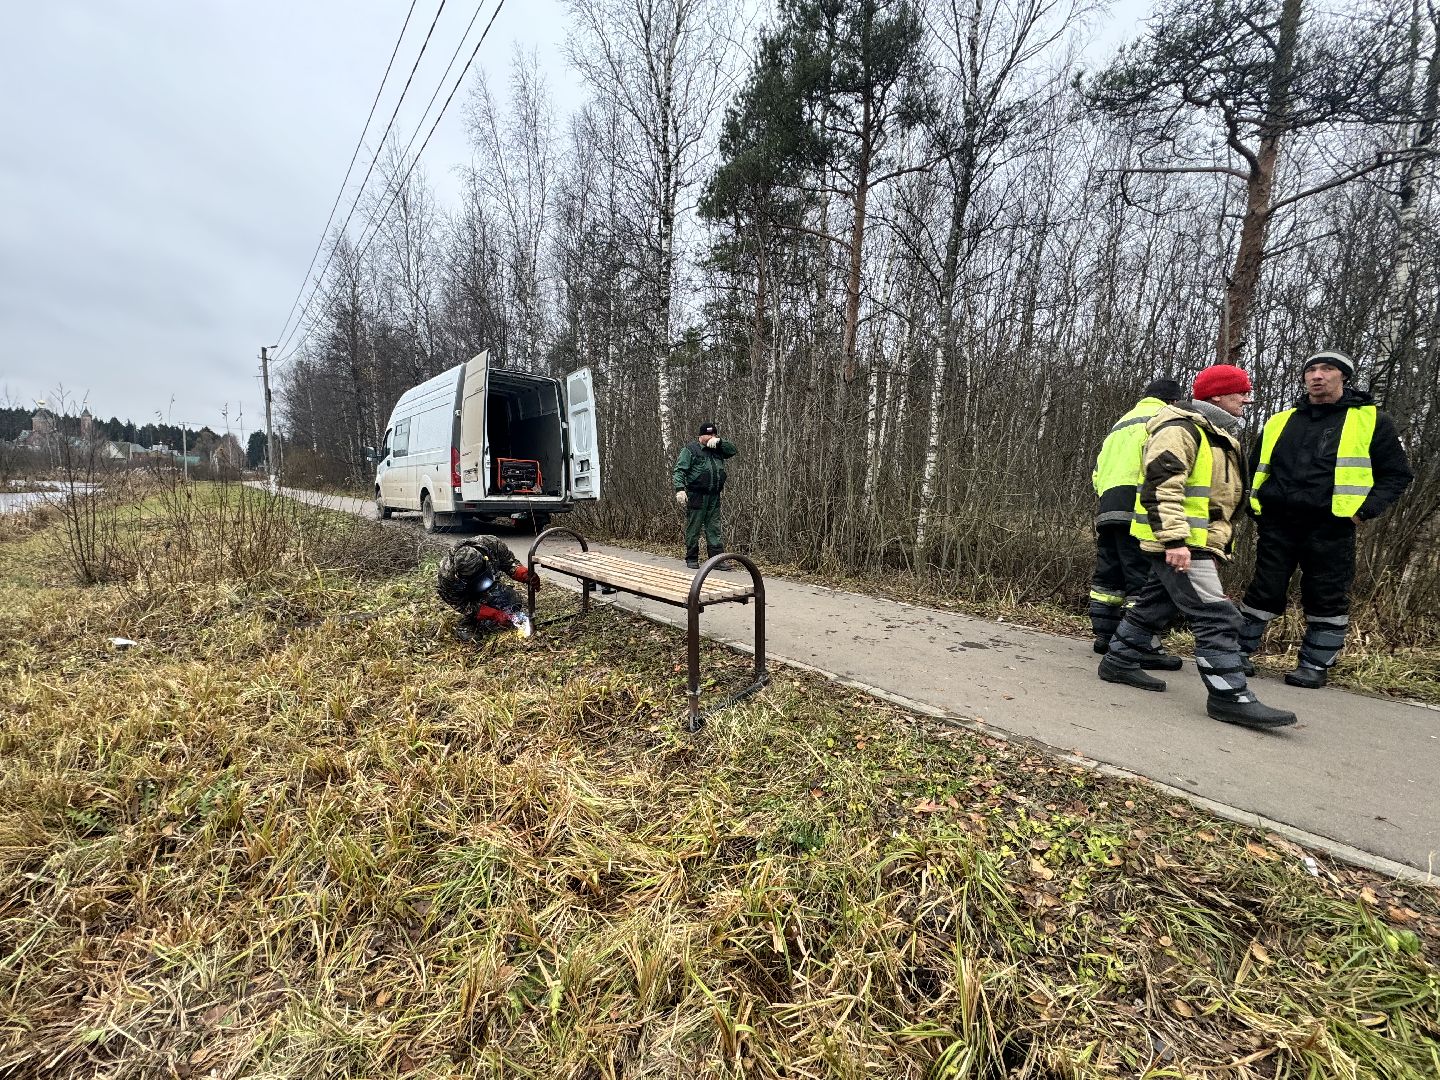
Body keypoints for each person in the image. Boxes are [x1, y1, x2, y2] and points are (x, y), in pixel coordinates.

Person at [1098, 364, 1296, 730]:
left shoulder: (1214, 433)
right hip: (1183, 541)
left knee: (1153, 607)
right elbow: (1161, 485)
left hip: (1195, 540)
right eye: (1241, 393)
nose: (1247, 400)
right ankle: (1229, 696)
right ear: (1218, 395)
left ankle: (1119, 661)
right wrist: (1174, 540)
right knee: (1216, 616)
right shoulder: (1180, 429)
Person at [1239, 350, 1413, 688]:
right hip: (1278, 521)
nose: (1317, 375)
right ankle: (1238, 653)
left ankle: (1315, 665)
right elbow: (1254, 467)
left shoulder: (1371, 420)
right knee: (1264, 590)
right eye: (1312, 370)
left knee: (1326, 595)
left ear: (1343, 377)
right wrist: (1254, 505)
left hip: (1332, 525)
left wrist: (1363, 512)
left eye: (1327, 369)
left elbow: (1396, 474)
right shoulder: (1280, 420)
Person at [1089, 376, 1186, 664]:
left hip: (1108, 505)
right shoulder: (1164, 419)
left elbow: (1097, 471)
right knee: (1141, 577)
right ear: (1173, 401)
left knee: (1109, 575)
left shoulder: (1121, 423)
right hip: (1140, 505)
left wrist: (1108, 495)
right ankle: (1141, 644)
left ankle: (1105, 637)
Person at [437, 536, 541, 642]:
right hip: (467, 593)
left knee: (511, 599)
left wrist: (523, 574)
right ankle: (466, 625)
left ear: (485, 560)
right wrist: (493, 614)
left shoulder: (492, 545)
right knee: (477, 620)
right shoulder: (447, 575)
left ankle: (503, 619)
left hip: (489, 584)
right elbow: (461, 603)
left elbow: (509, 564)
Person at [673, 422, 737, 569]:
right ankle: (692, 558)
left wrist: (720, 442)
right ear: (700, 436)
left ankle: (716, 561)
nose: (711, 437)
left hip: (714, 495)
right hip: (697, 494)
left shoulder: (718, 449)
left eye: (714, 434)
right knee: (694, 526)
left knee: (714, 527)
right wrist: (679, 489)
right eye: (709, 435)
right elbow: (679, 470)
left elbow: (733, 450)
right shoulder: (690, 450)